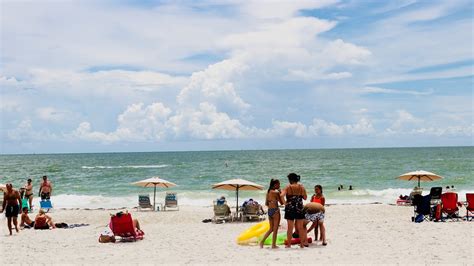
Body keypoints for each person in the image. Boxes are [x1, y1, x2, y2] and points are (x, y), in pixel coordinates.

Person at [282, 173, 307, 248]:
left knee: (290, 228)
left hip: (290, 208)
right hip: (299, 208)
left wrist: (285, 203)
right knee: (300, 228)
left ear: (290, 179)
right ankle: (302, 245)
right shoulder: (301, 187)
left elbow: (281, 195)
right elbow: (305, 197)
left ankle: (289, 245)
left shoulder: (288, 187)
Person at [260, 179, 285, 249]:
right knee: (275, 229)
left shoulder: (268, 192)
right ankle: (273, 245)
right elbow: (282, 203)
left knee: (271, 229)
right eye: (278, 184)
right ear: (275, 185)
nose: (279, 185)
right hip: (275, 211)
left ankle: (262, 242)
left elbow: (266, 203)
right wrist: (281, 192)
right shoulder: (276, 192)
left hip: (270, 211)